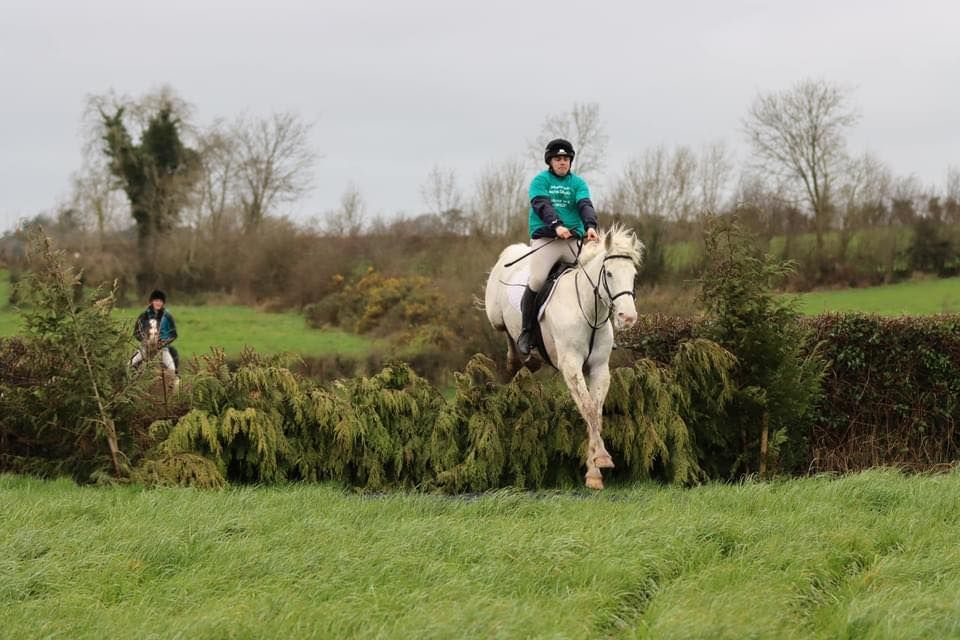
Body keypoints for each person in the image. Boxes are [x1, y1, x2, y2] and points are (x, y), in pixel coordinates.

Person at [517, 138, 600, 356]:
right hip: (548, 241)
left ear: (570, 161)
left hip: (573, 240)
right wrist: (556, 226)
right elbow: (542, 205)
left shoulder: (578, 183)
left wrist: (590, 226)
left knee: (594, 279)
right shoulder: (540, 181)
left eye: (565, 159)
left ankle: (600, 331)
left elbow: (584, 205)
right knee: (536, 281)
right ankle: (527, 332)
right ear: (550, 161)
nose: (562, 162)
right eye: (557, 159)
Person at [130, 289, 179, 375]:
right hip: (145, 349)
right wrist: (144, 340)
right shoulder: (143, 316)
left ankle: (175, 387)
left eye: (160, 301)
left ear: (163, 303)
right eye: (156, 300)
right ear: (151, 302)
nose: (158, 303)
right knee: (130, 364)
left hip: (162, 349)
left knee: (172, 369)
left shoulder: (167, 316)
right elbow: (136, 332)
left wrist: (163, 342)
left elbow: (173, 334)